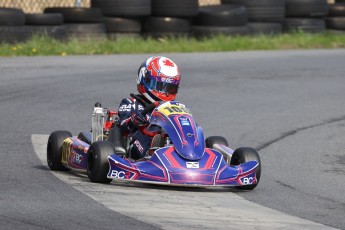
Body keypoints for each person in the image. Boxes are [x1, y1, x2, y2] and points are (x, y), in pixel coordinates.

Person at [118, 56, 181, 160]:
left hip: (169, 145)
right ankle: (153, 154)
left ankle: (191, 156)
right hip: (136, 147)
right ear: (144, 80)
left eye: (170, 88)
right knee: (148, 136)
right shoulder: (131, 103)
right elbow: (123, 128)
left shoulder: (174, 108)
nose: (165, 93)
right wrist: (134, 120)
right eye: (160, 86)